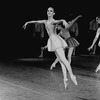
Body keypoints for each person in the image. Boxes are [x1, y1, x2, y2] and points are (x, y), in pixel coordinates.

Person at [23, 7, 78, 89]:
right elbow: (37, 21)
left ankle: (72, 75)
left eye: (51, 11)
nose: (49, 12)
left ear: (53, 13)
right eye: (48, 11)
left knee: (63, 59)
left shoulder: (53, 21)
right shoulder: (45, 21)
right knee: (61, 60)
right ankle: (65, 78)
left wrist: (63, 21)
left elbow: (60, 20)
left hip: (55, 40)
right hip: (52, 40)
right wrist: (27, 22)